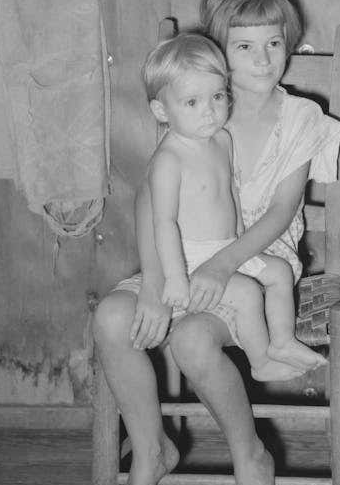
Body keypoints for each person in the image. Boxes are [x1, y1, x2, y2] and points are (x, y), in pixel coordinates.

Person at [92, 0, 340, 485]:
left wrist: (221, 266)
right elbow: (148, 198)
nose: (263, 59)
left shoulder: (301, 119)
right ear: (218, 53)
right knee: (110, 318)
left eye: (275, 42)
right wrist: (154, 284)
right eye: (245, 46)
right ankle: (152, 447)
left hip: (256, 266)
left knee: (190, 340)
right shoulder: (203, 106)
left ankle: (249, 455)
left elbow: (280, 216)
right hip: (175, 261)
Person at [139, 31, 326, 377]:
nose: (209, 112)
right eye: (192, 103)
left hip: (226, 246)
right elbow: (162, 223)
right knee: (247, 293)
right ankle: (261, 362)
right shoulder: (168, 159)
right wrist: (175, 278)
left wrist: (240, 232)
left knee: (279, 272)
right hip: (191, 258)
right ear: (161, 110)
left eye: (217, 97)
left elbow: (230, 195)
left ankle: (282, 340)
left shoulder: (222, 139)